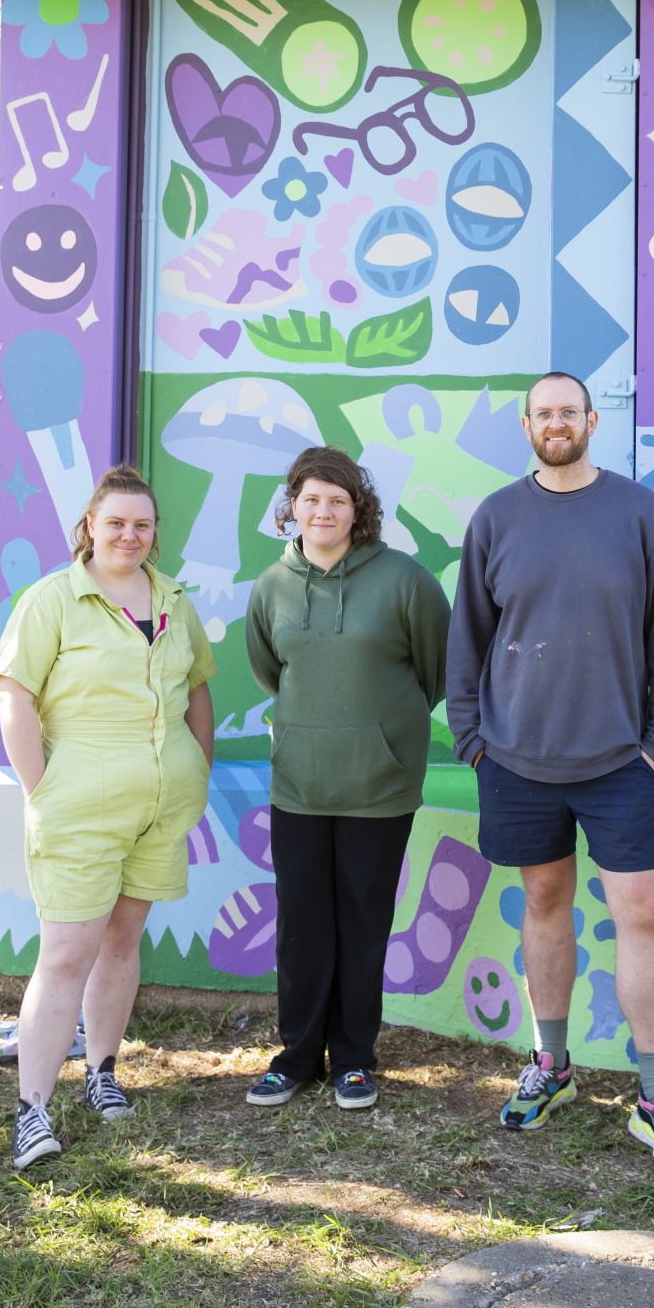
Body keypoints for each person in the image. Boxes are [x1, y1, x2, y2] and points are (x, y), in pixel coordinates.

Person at [447, 371, 654, 1167]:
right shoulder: (496, 517)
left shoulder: (636, 512)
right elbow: (470, 635)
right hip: (517, 755)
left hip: (621, 758)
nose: (556, 423)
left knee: (642, 912)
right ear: (526, 425)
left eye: (569, 411)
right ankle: (551, 1064)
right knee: (544, 901)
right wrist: (471, 737)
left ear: (592, 420)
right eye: (542, 413)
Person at [0, 466, 215, 1170]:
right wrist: (42, 789)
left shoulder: (173, 598)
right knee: (65, 955)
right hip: (80, 806)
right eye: (115, 522)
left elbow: (198, 689)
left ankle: (102, 1072)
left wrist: (196, 769)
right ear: (90, 526)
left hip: (158, 806)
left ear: (154, 532)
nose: (129, 534)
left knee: (122, 943)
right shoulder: (52, 599)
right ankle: (32, 1109)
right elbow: (14, 696)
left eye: (142, 524)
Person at [244, 446, 449, 1112]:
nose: (323, 510)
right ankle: (297, 1056)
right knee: (302, 926)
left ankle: (354, 1059)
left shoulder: (404, 580)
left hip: (378, 786)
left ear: (358, 508)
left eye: (337, 499)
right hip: (299, 783)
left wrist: (379, 738)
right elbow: (272, 670)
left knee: (364, 924)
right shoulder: (271, 585)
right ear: (291, 507)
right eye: (311, 499)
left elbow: (435, 671)